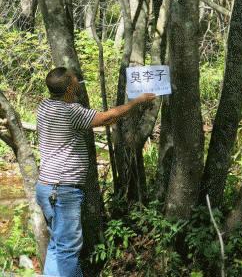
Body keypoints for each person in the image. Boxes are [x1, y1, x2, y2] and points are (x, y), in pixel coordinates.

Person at [35, 67, 155, 277]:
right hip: (62, 189)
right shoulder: (70, 111)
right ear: (70, 87)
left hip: (47, 187)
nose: (79, 83)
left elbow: (105, 120)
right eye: (75, 80)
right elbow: (106, 118)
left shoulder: (44, 106)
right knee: (68, 248)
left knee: (57, 245)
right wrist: (137, 102)